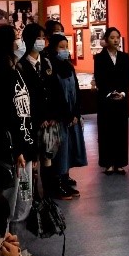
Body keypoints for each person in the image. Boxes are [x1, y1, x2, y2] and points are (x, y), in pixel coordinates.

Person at [0, 25, 46, 256]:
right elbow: (1, 118)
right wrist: (15, 149)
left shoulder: (17, 69)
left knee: (23, 203)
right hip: (11, 153)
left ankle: (17, 251)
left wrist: (31, 149)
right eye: (16, 39)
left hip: (25, 149)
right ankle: (5, 254)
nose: (20, 42)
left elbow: (26, 112)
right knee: (9, 206)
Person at [17, 24, 64, 198]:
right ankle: (32, 196)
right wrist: (38, 117)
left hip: (49, 120)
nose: (41, 41)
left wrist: (53, 115)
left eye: (43, 38)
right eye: (38, 38)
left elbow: (55, 90)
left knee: (48, 156)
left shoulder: (46, 61)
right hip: (31, 120)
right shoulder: (21, 65)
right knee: (32, 160)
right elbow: (26, 96)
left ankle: (49, 193)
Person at [45, 34, 87, 197]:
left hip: (72, 116)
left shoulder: (68, 66)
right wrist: (67, 114)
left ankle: (65, 180)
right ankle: (57, 184)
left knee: (70, 149)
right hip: (60, 117)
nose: (65, 50)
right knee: (60, 151)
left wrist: (76, 112)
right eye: (61, 47)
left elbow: (76, 90)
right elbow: (54, 95)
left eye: (66, 47)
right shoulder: (50, 67)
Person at [93, 27, 129, 175]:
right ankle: (108, 163)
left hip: (121, 100)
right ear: (106, 40)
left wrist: (122, 93)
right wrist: (110, 93)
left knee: (120, 131)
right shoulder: (99, 58)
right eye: (112, 37)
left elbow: (128, 77)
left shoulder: (125, 57)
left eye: (117, 37)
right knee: (106, 131)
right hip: (106, 100)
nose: (115, 40)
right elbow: (99, 78)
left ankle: (120, 163)